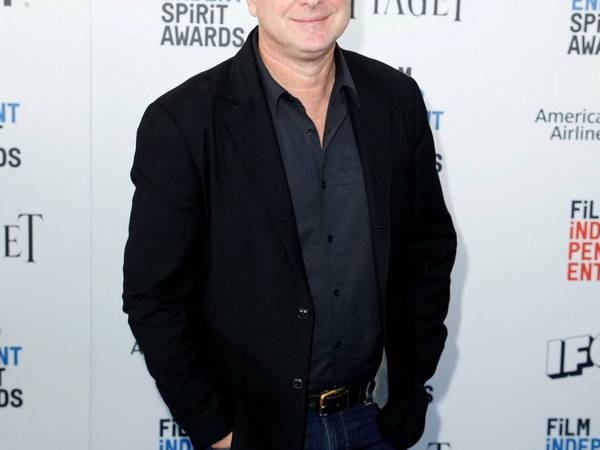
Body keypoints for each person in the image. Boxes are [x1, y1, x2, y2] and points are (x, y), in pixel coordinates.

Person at [121, 0, 457, 449]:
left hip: (377, 421)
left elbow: (429, 250)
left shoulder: (397, 98)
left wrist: (410, 380)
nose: (311, 0)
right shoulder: (183, 122)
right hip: (257, 432)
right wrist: (216, 428)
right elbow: (154, 295)